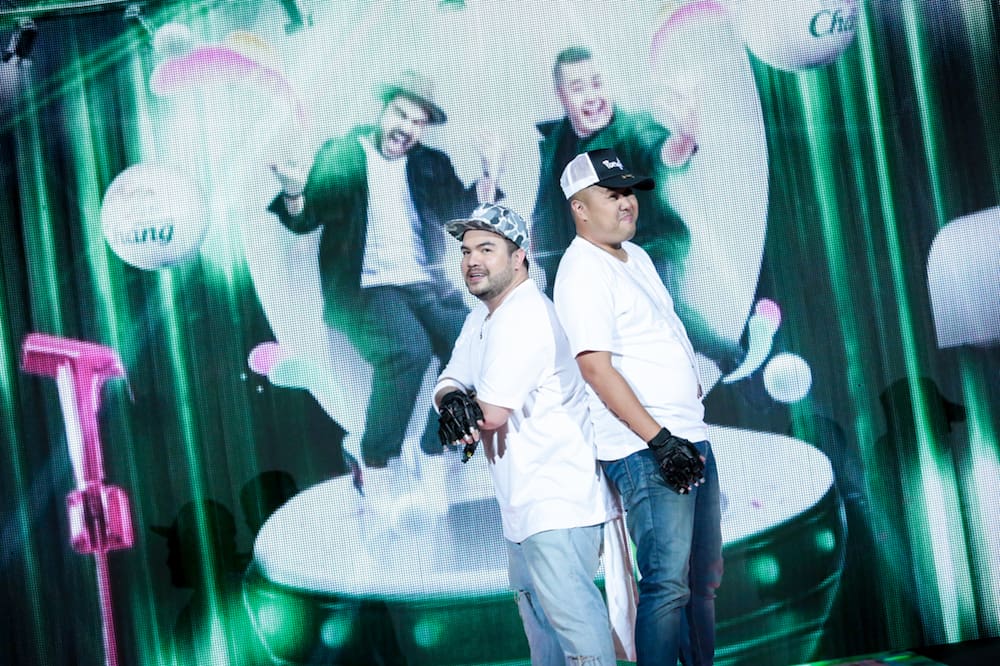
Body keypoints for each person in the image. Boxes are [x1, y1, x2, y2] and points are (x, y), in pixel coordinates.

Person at [268, 70, 499, 468]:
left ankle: (435, 447)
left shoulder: (430, 163)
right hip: (366, 289)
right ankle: (375, 459)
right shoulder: (343, 154)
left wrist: (490, 173)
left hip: (425, 283)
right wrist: (293, 192)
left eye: (417, 123)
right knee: (409, 350)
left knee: (479, 340)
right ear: (382, 111)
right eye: (400, 115)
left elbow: (461, 215)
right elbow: (307, 217)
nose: (406, 128)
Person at [553, 148, 723, 666]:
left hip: (686, 435)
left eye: (629, 192)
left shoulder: (636, 257)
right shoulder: (582, 269)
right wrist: (660, 441)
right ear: (579, 207)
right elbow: (595, 367)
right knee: (668, 584)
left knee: (701, 581)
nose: (626, 202)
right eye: (612, 194)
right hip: (646, 448)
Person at [433, 203, 620, 665]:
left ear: (519, 257)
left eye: (487, 249)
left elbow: (491, 413)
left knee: (579, 636)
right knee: (545, 643)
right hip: (523, 506)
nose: (472, 260)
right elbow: (449, 379)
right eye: (466, 251)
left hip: (557, 503)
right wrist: (452, 399)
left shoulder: (526, 315)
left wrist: (461, 410)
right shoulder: (481, 318)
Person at [532, 46, 741, 370]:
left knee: (660, 305)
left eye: (597, 83)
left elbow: (658, 152)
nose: (592, 96)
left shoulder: (632, 130)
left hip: (649, 247)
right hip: (588, 264)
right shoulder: (557, 141)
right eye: (578, 88)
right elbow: (549, 206)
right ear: (561, 95)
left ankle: (734, 360)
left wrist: (683, 141)